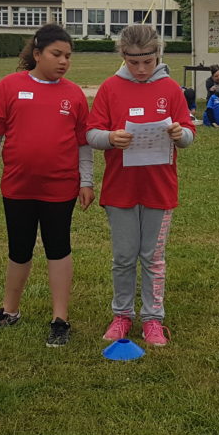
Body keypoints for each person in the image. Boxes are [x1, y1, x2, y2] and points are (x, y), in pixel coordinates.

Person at [0, 24, 95, 348]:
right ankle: (10, 311)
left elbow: (84, 144)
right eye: (57, 54)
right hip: (18, 187)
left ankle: (60, 319)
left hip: (60, 189)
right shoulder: (10, 87)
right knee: (19, 249)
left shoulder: (73, 94)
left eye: (68, 56)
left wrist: (87, 181)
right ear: (37, 54)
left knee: (58, 249)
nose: (64, 61)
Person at [87, 25, 196, 347]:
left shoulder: (171, 89)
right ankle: (122, 315)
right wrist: (110, 138)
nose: (141, 69)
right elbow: (92, 133)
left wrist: (180, 134)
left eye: (147, 61)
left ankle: (152, 319)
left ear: (157, 55)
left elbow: (189, 133)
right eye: (134, 62)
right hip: (120, 189)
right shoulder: (110, 88)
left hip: (159, 190)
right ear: (123, 56)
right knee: (123, 257)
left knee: (153, 258)